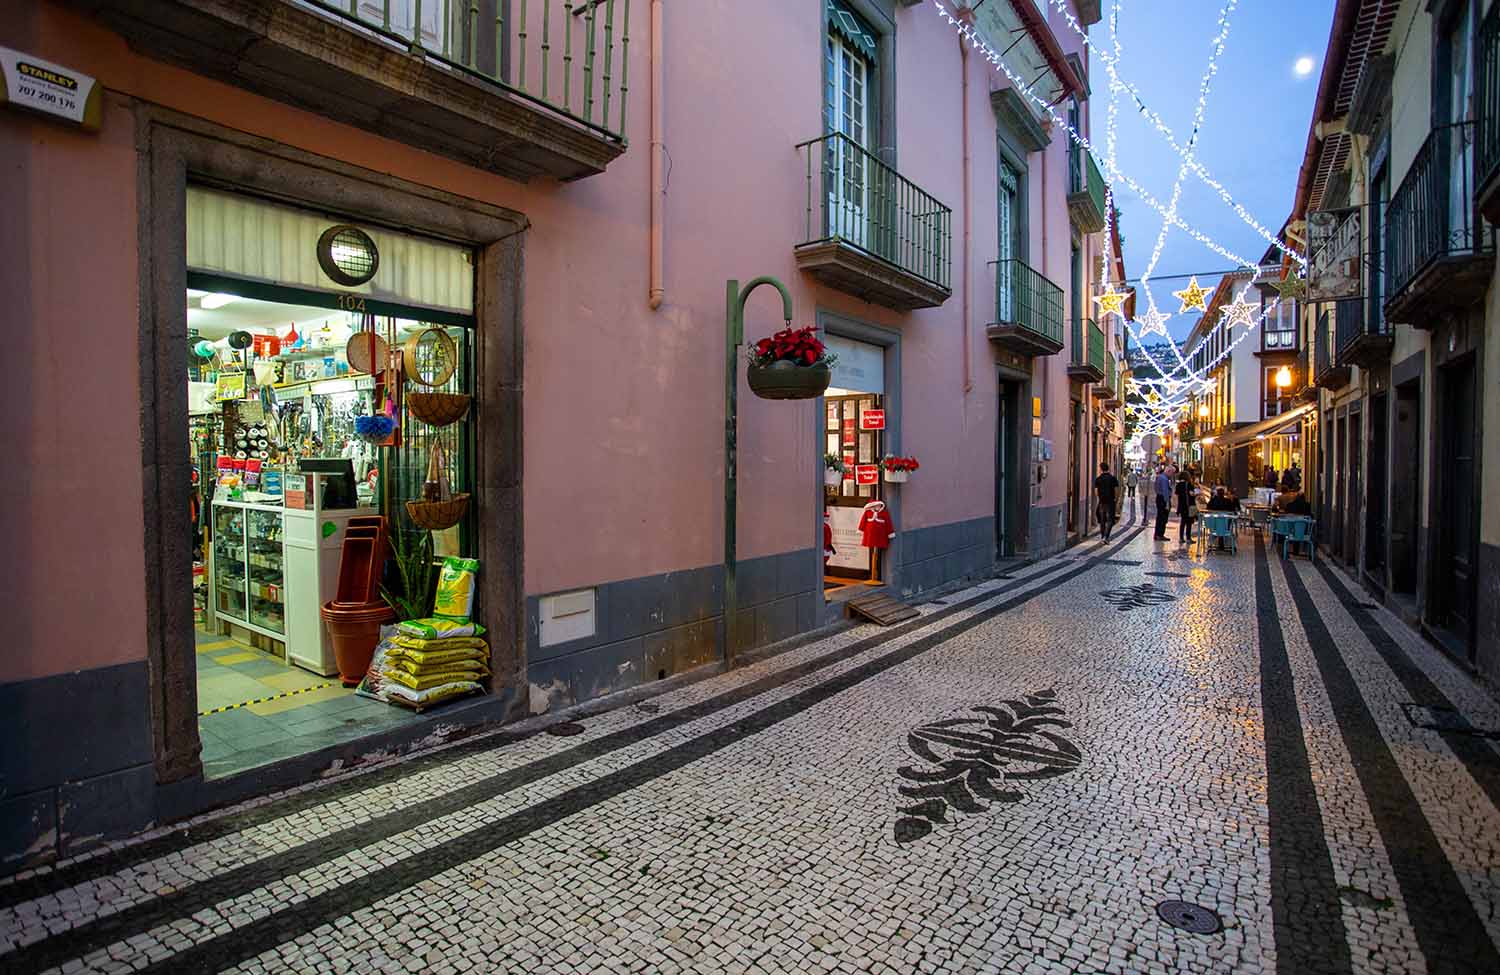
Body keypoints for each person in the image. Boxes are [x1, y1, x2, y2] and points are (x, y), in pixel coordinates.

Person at [1094, 462, 1120, 541]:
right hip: (1111, 501)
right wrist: (1115, 499)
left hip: (1102, 501)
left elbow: (1096, 492)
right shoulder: (1113, 478)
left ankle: (1102, 536)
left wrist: (1100, 498)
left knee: (1102, 520)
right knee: (1110, 520)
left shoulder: (1098, 479)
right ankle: (1106, 536)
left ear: (1101, 469)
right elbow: (1116, 490)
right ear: (1108, 468)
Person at [1175, 469, 1198, 544]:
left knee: (1183, 522)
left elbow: (1177, 496)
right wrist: (1196, 493)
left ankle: (1181, 538)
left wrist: (1177, 507)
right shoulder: (1189, 484)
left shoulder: (1178, 485)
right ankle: (1188, 538)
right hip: (1189, 506)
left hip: (1182, 506)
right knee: (1189, 522)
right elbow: (1192, 494)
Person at [1154, 465, 1172, 540]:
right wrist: (1167, 503)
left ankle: (1157, 534)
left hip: (1159, 497)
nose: (1172, 475)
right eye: (1172, 473)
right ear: (1169, 471)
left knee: (1159, 517)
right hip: (1163, 499)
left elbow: (1155, 487)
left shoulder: (1159, 477)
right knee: (1163, 518)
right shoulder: (1164, 479)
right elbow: (1166, 492)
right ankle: (1160, 534)